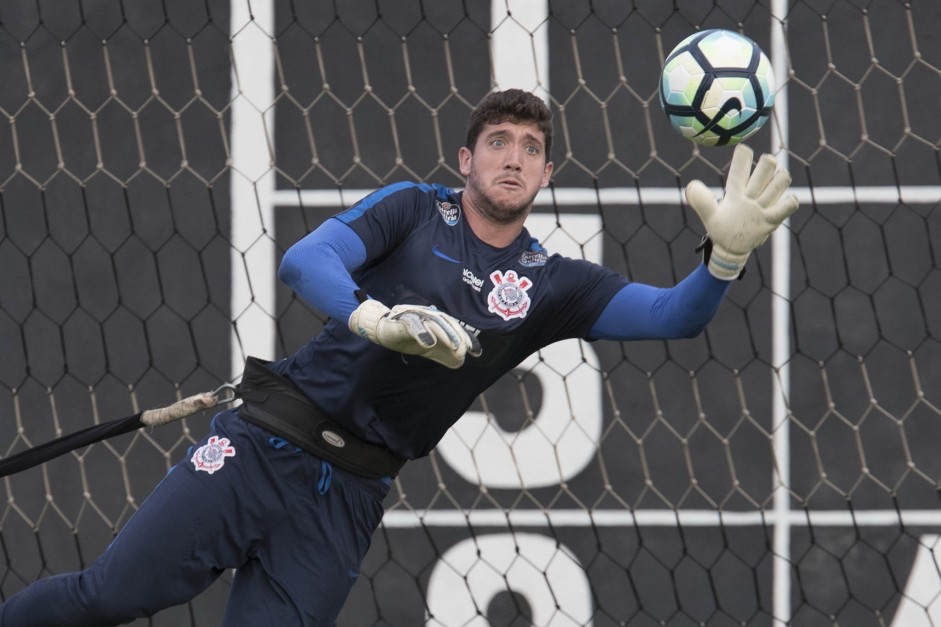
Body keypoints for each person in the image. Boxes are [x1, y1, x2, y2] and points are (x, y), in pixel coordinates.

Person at [0, 88, 798, 626]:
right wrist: (373, 319)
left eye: (529, 147)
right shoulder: (414, 209)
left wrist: (721, 260)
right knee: (108, 595)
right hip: (258, 449)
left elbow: (672, 316)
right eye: (496, 141)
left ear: (548, 174)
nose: (512, 156)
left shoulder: (554, 284)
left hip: (346, 498)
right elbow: (306, 259)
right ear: (465, 158)